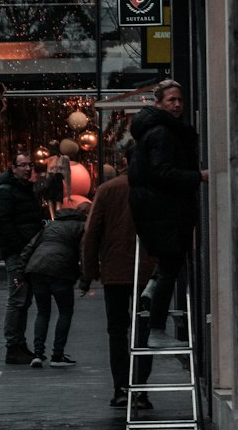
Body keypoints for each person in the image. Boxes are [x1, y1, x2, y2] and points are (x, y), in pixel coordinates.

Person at [128, 80, 208, 350]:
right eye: (171, 100)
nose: (177, 105)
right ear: (158, 103)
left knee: (169, 262)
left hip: (157, 208)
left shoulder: (152, 130)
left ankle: (151, 288)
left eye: (180, 100)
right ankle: (157, 329)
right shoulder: (162, 132)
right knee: (172, 265)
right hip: (165, 209)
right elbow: (161, 173)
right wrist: (198, 176)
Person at [81, 144, 155, 409]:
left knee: (117, 331)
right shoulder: (155, 189)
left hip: (114, 272)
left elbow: (92, 234)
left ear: (124, 160)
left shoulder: (108, 189)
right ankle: (141, 389)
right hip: (149, 271)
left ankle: (122, 388)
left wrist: (89, 273)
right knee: (144, 331)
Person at [17, 201, 89, 366]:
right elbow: (83, 253)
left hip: (37, 268)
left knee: (43, 312)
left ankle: (37, 354)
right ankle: (57, 355)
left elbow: (29, 247)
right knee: (65, 311)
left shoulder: (51, 225)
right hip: (60, 270)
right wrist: (85, 281)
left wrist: (20, 273)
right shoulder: (82, 227)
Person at [0, 148, 43, 365]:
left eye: (29, 165)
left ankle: (19, 344)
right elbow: (3, 223)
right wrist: (20, 248)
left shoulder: (24, 189)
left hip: (27, 251)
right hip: (18, 253)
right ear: (13, 168)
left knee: (23, 299)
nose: (28, 169)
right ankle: (13, 345)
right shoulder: (7, 191)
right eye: (23, 165)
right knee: (17, 298)